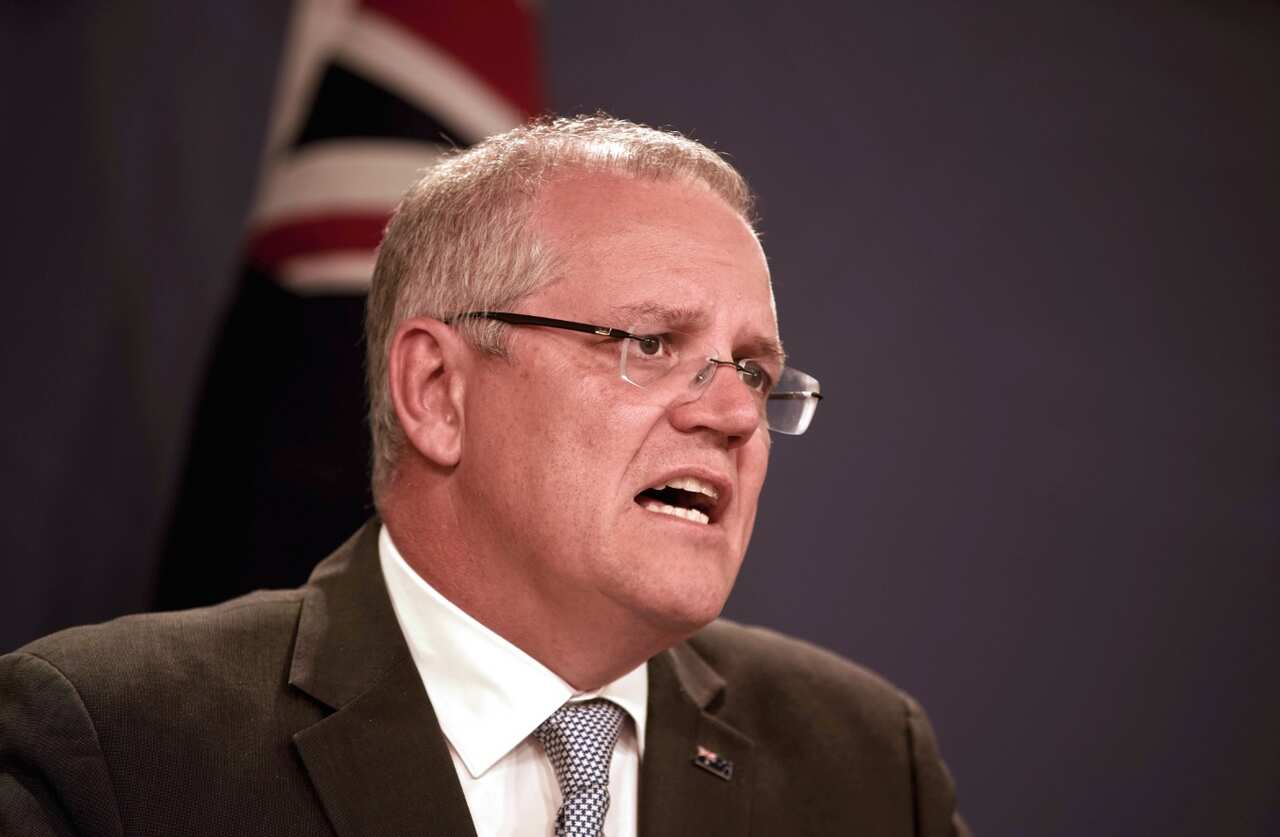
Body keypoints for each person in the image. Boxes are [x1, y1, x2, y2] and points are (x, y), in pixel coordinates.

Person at [0, 116, 968, 836]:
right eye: (646, 342)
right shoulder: (116, 751)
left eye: (754, 370)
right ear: (437, 392)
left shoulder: (867, 765)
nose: (729, 414)